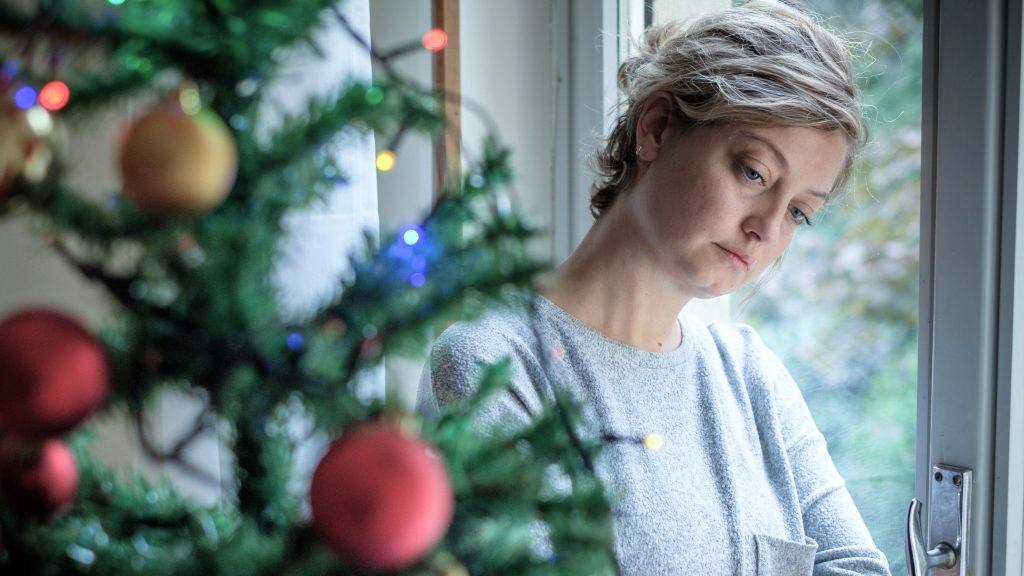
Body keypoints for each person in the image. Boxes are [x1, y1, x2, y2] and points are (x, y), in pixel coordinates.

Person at [416, 1, 892, 574]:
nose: (766, 228)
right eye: (754, 173)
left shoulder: (751, 377)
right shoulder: (494, 367)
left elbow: (859, 567)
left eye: (798, 211)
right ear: (657, 128)